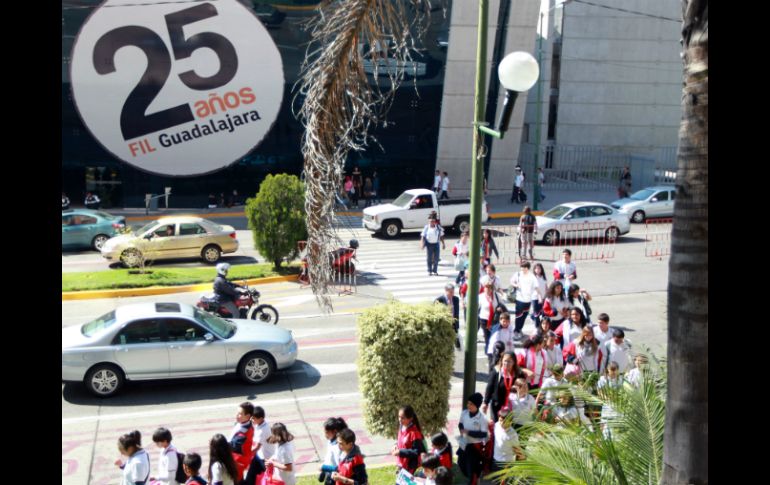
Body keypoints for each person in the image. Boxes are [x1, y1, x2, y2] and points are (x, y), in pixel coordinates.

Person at [483, 351, 533, 423]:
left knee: (508, 427)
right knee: (497, 426)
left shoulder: (517, 373)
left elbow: (524, 386)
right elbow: (489, 387)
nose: (506, 364)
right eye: (505, 361)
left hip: (512, 406)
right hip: (497, 405)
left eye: (509, 361)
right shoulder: (496, 371)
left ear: (514, 362)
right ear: (502, 361)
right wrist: (486, 402)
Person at [457, 393, 488, 485]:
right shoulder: (464, 413)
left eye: (471, 404)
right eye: (468, 403)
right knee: (461, 465)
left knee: (471, 470)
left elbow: (483, 434)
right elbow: (460, 424)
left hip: (474, 448)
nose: (468, 406)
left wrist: (468, 432)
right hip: (463, 445)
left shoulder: (482, 418)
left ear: (477, 406)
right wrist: (462, 430)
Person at [509, 261, 542, 340]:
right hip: (519, 299)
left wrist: (540, 297)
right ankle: (516, 330)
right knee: (518, 316)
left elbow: (536, 287)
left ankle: (519, 329)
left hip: (528, 300)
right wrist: (516, 285)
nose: (522, 269)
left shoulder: (531, 276)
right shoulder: (518, 274)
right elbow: (511, 281)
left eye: (523, 268)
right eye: (521, 268)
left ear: (527, 268)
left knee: (524, 316)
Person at [391, 405, 425, 474]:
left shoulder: (414, 433)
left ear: (410, 418)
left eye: (403, 418)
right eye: (399, 417)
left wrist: (400, 452)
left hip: (410, 467)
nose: (400, 420)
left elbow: (416, 452)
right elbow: (401, 440)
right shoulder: (401, 426)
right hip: (401, 465)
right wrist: (395, 445)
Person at [228, 402, 254, 481]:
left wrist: (218, 444)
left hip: (238, 463)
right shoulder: (244, 424)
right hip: (240, 461)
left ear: (248, 416)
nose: (236, 415)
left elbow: (232, 445)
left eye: (240, 414)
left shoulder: (243, 433)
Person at [491, 409, 522, 473]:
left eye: (505, 421)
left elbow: (517, 450)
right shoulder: (496, 425)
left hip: (506, 464)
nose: (502, 423)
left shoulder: (513, 435)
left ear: (511, 422)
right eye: (500, 420)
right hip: (495, 460)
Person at [319, 417, 348, 484]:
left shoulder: (339, 447)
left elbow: (340, 467)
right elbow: (329, 458)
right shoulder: (330, 441)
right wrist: (323, 472)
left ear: (335, 431)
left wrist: (324, 467)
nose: (325, 435)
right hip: (329, 475)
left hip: (337, 478)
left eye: (326, 432)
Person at [478, 282, 506, 352]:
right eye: (486, 288)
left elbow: (502, 305)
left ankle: (493, 350)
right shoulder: (481, 297)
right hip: (484, 320)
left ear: (492, 289)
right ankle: (488, 352)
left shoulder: (496, 296)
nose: (487, 290)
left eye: (489, 288)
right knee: (487, 338)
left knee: (494, 337)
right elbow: (477, 308)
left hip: (495, 319)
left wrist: (499, 308)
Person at [435, 283, 461, 349]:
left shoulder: (456, 299)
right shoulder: (439, 300)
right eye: (450, 292)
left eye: (453, 292)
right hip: (444, 324)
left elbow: (456, 312)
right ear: (446, 291)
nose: (452, 294)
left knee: (455, 343)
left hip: (454, 323)